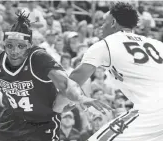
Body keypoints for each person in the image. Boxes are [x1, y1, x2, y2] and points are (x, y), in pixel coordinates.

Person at [0, 12, 110, 141]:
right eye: (9, 45)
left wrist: (81, 98)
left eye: (20, 46)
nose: (14, 51)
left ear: (29, 46)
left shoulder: (38, 58)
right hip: (11, 119)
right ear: (4, 45)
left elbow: (66, 84)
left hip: (42, 122)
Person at [69, 2, 163, 141]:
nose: (101, 27)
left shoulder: (106, 44)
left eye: (103, 22)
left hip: (153, 110)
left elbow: (74, 79)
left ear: (113, 22)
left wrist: (63, 104)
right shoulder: (157, 44)